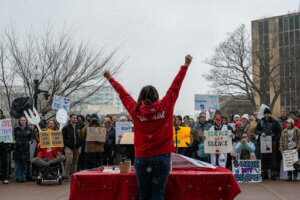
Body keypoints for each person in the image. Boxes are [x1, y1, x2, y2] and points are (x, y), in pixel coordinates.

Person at [104, 55, 192, 200]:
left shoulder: (135, 110)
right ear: (156, 96)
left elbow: (123, 94)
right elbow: (175, 86)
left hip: (142, 157)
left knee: (143, 194)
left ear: (141, 97)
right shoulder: (166, 105)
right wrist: (185, 65)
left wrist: (110, 78)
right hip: (162, 156)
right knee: (158, 193)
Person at [254, 108, 281, 180]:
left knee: (273, 158)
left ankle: (273, 173)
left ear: (270, 114)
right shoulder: (261, 121)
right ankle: (264, 173)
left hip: (273, 142)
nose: (267, 115)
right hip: (263, 142)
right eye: (266, 114)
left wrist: (275, 139)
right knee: (264, 157)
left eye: (268, 113)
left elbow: (279, 131)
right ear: (264, 114)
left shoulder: (275, 121)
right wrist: (260, 133)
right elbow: (256, 130)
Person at [62, 114, 82, 181]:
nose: (75, 119)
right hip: (68, 147)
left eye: (76, 117)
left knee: (75, 162)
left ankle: (74, 175)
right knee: (69, 160)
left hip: (77, 147)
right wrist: (65, 144)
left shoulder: (79, 127)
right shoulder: (66, 127)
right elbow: (63, 137)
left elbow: (81, 136)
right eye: (73, 118)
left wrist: (80, 144)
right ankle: (66, 175)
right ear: (70, 119)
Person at [13, 116, 33, 182]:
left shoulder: (29, 129)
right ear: (19, 121)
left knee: (24, 164)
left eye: (24, 120)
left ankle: (23, 177)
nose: (23, 121)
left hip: (25, 148)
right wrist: (14, 141)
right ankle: (18, 178)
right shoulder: (16, 128)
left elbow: (31, 138)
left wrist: (30, 141)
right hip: (17, 148)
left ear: (26, 121)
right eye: (22, 120)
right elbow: (13, 136)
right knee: (17, 164)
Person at [0, 110, 12, 184]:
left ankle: (5, 178)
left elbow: (9, 133)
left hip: (4, 145)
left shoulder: (6, 123)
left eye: (0, 113)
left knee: (5, 162)